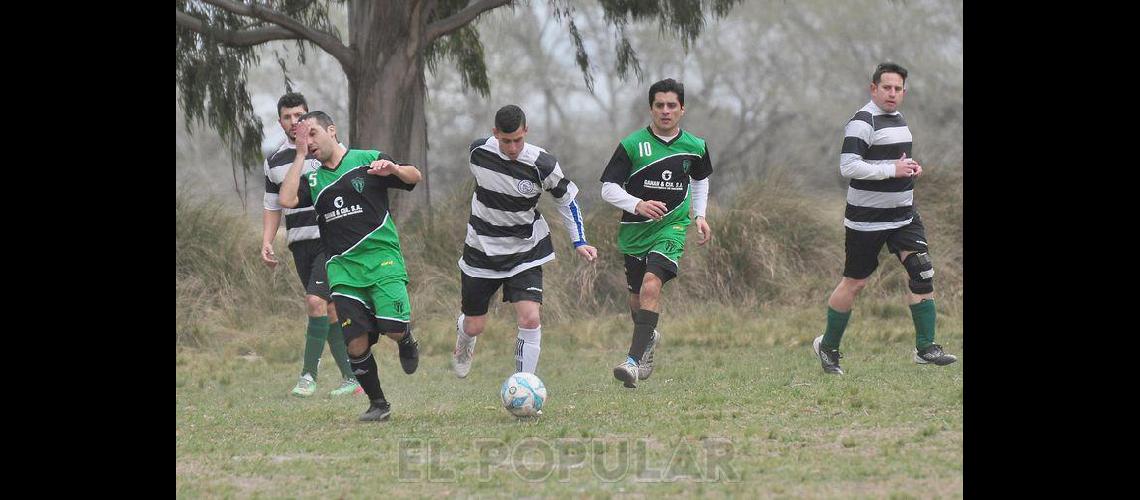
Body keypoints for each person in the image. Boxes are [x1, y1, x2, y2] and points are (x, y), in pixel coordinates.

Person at [812, 62, 958, 375]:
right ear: (873, 88)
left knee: (922, 271)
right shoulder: (863, 121)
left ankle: (926, 348)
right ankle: (828, 346)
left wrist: (909, 168)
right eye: (887, 87)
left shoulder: (899, 120)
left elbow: (895, 161)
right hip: (866, 220)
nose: (892, 93)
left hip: (903, 215)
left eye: (898, 89)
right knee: (855, 283)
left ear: (904, 92)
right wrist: (892, 170)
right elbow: (849, 167)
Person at [278, 111, 422, 422]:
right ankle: (379, 404)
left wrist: (394, 168)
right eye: (304, 137)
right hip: (342, 268)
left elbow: (415, 177)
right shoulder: (313, 178)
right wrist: (300, 156)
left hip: (382, 259)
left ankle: (406, 338)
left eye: (314, 134)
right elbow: (287, 199)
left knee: (392, 328)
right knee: (355, 343)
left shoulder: (367, 159)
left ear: (332, 130)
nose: (310, 141)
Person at [451, 105, 597, 379]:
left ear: (526, 132)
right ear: (495, 134)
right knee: (474, 326)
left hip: (525, 250)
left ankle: (524, 383)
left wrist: (579, 240)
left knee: (530, 318)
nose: (513, 147)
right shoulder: (478, 152)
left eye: (518, 139)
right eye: (506, 141)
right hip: (481, 250)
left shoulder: (543, 164)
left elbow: (567, 200)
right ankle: (465, 336)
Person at [600, 78, 713, 388]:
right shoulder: (632, 145)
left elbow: (700, 181)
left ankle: (632, 363)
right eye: (659, 105)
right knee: (637, 301)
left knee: (652, 287)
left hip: (673, 228)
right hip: (635, 232)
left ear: (682, 109)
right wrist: (637, 204)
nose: (665, 111)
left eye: (671, 106)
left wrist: (699, 215)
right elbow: (608, 189)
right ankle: (647, 337)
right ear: (651, 108)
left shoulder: (696, 146)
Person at [260, 92, 361, 398]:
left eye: (299, 117)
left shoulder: (324, 152)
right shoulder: (274, 162)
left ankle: (308, 376)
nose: (294, 123)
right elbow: (273, 206)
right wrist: (266, 241)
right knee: (328, 310)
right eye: (288, 118)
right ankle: (352, 378)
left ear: (308, 118)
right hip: (299, 243)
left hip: (330, 241)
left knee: (315, 303)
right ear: (280, 122)